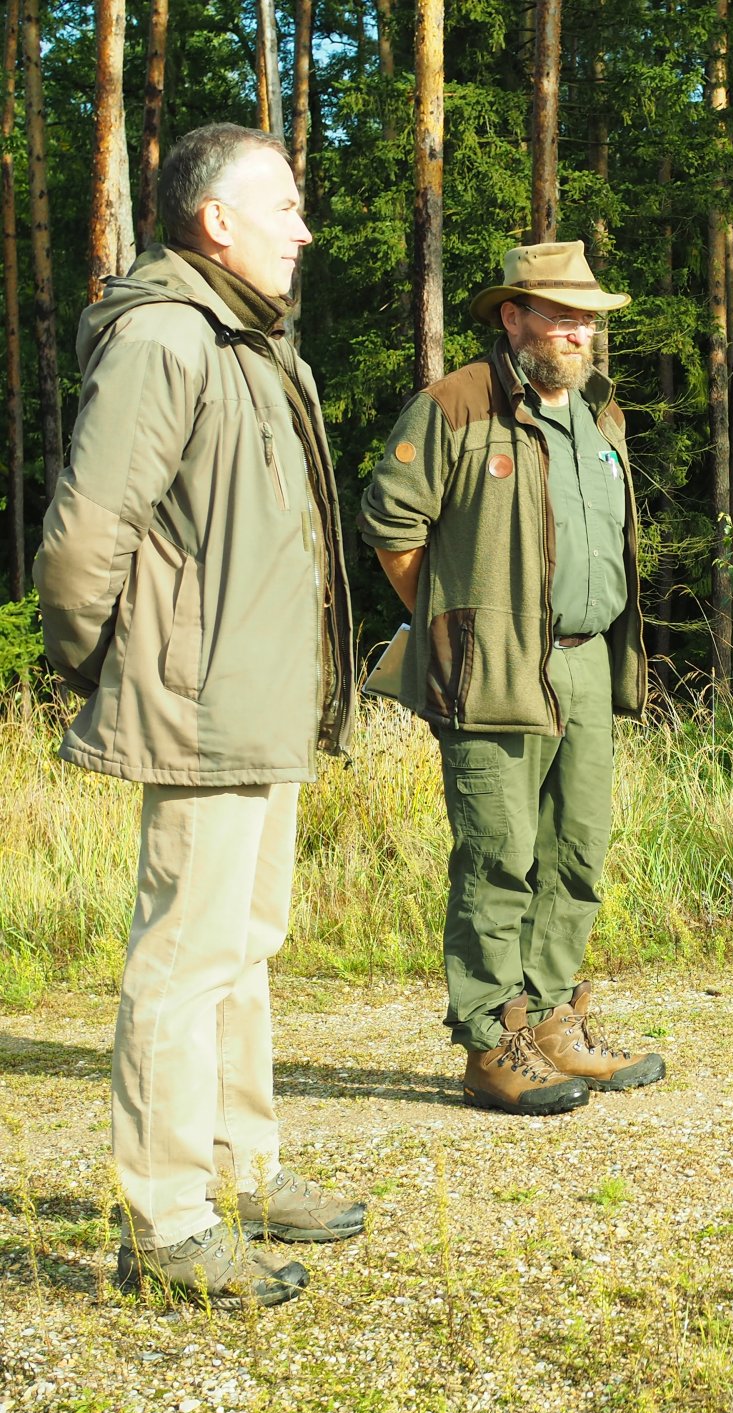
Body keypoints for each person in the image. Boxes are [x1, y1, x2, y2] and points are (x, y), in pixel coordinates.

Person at [34, 124, 361, 1307]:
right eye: (284, 207)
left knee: (245, 945)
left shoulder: (256, 344)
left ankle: (242, 1167)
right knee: (183, 960)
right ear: (216, 221)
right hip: (202, 700)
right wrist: (121, 669)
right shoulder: (167, 337)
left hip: (260, 700)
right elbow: (85, 538)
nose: (304, 230)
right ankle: (167, 1223)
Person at [361, 241, 665, 1115]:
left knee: (576, 852)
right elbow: (391, 523)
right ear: (512, 316)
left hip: (588, 660)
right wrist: (456, 627)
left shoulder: (600, 414)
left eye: (586, 318)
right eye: (559, 315)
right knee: (498, 858)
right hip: (491, 669)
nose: (577, 332)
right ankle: (492, 1042)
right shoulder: (454, 406)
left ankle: (555, 1024)